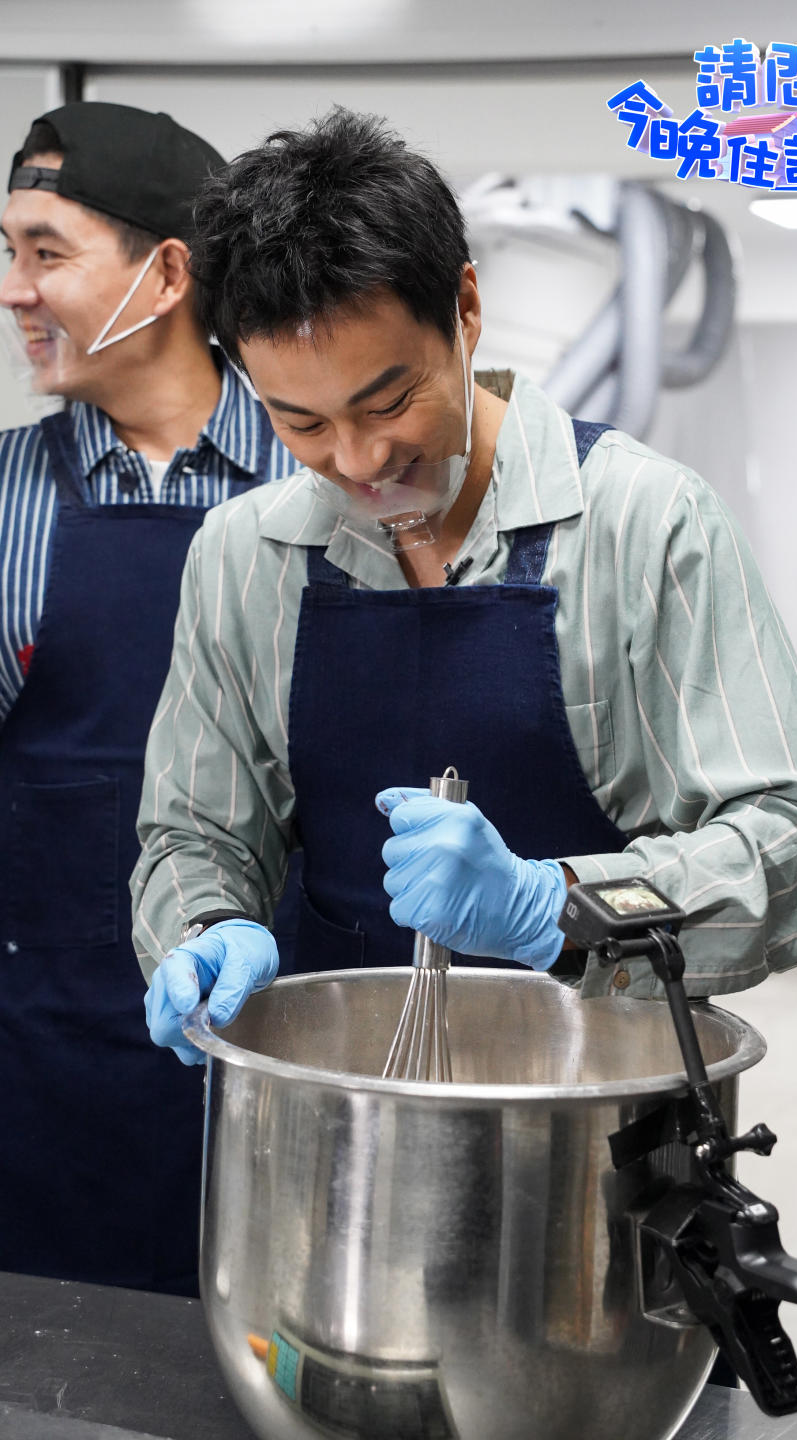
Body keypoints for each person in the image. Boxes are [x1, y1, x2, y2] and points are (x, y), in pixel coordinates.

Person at [135, 107, 797, 1066]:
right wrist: (204, 928)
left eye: (390, 400)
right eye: (301, 424)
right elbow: (193, 830)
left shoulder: (646, 525)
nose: (358, 460)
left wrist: (554, 905)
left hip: (598, 1102)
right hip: (330, 1102)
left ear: (466, 310)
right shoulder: (244, 556)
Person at [0, 102, 303, 1295]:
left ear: (168, 271)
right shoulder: (9, 501)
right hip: (41, 1067)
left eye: (47, 252)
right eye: (7, 253)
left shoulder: (321, 478)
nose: (16, 291)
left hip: (282, 1053)